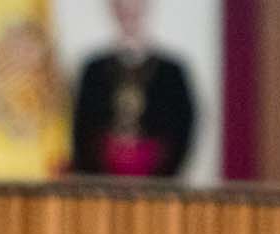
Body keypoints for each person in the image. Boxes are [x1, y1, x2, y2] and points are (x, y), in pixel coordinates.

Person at [67, 0, 198, 178]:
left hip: (158, 181)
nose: (129, 12)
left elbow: (184, 127)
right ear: (113, 9)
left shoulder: (171, 71)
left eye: (135, 5)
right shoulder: (94, 70)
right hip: (103, 182)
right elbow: (81, 126)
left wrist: (164, 178)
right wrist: (95, 178)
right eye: (122, 6)